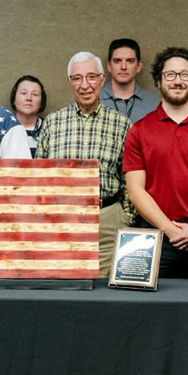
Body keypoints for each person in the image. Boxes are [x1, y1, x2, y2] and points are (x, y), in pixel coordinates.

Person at [124, 47, 188, 279]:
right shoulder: (140, 130)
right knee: (152, 311)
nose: (178, 81)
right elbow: (136, 189)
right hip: (154, 236)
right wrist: (169, 228)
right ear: (158, 80)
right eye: (170, 75)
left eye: (185, 75)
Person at [37, 52, 133, 277]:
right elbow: (40, 176)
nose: (85, 85)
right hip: (62, 222)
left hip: (107, 219)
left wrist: (125, 216)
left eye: (91, 77)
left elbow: (129, 177)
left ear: (102, 79)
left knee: (105, 295)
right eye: (77, 78)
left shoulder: (122, 124)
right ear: (70, 82)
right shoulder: (53, 122)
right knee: (64, 291)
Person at [101, 38, 157, 122]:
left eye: (130, 61)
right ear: (109, 66)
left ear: (138, 67)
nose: (123, 67)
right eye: (117, 61)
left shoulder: (154, 103)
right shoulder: (94, 100)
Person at [10, 75, 46, 145]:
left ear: (41, 102)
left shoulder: (48, 129)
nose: (29, 98)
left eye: (35, 94)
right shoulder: (4, 127)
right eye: (23, 93)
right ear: (14, 99)